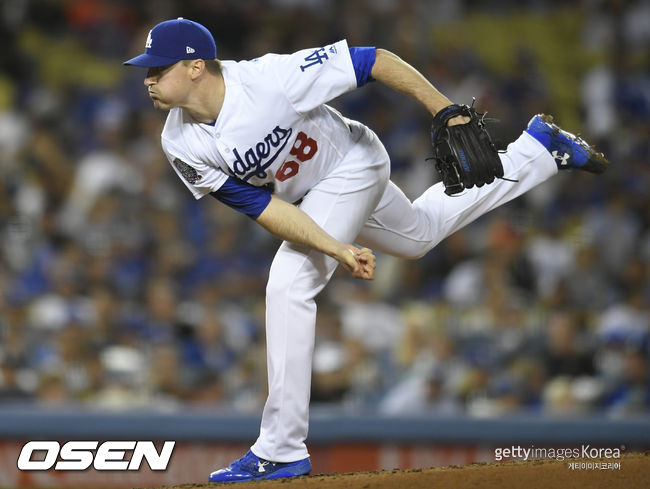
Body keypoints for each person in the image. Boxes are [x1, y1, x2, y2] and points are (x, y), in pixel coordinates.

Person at [123, 18, 608, 482]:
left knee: (288, 284)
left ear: (196, 67)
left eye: (158, 68)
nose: (148, 79)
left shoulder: (268, 79)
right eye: (147, 70)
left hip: (352, 163)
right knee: (418, 236)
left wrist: (445, 109)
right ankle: (538, 151)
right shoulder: (178, 142)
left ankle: (280, 448)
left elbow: (373, 59)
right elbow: (264, 208)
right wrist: (335, 246)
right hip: (311, 199)